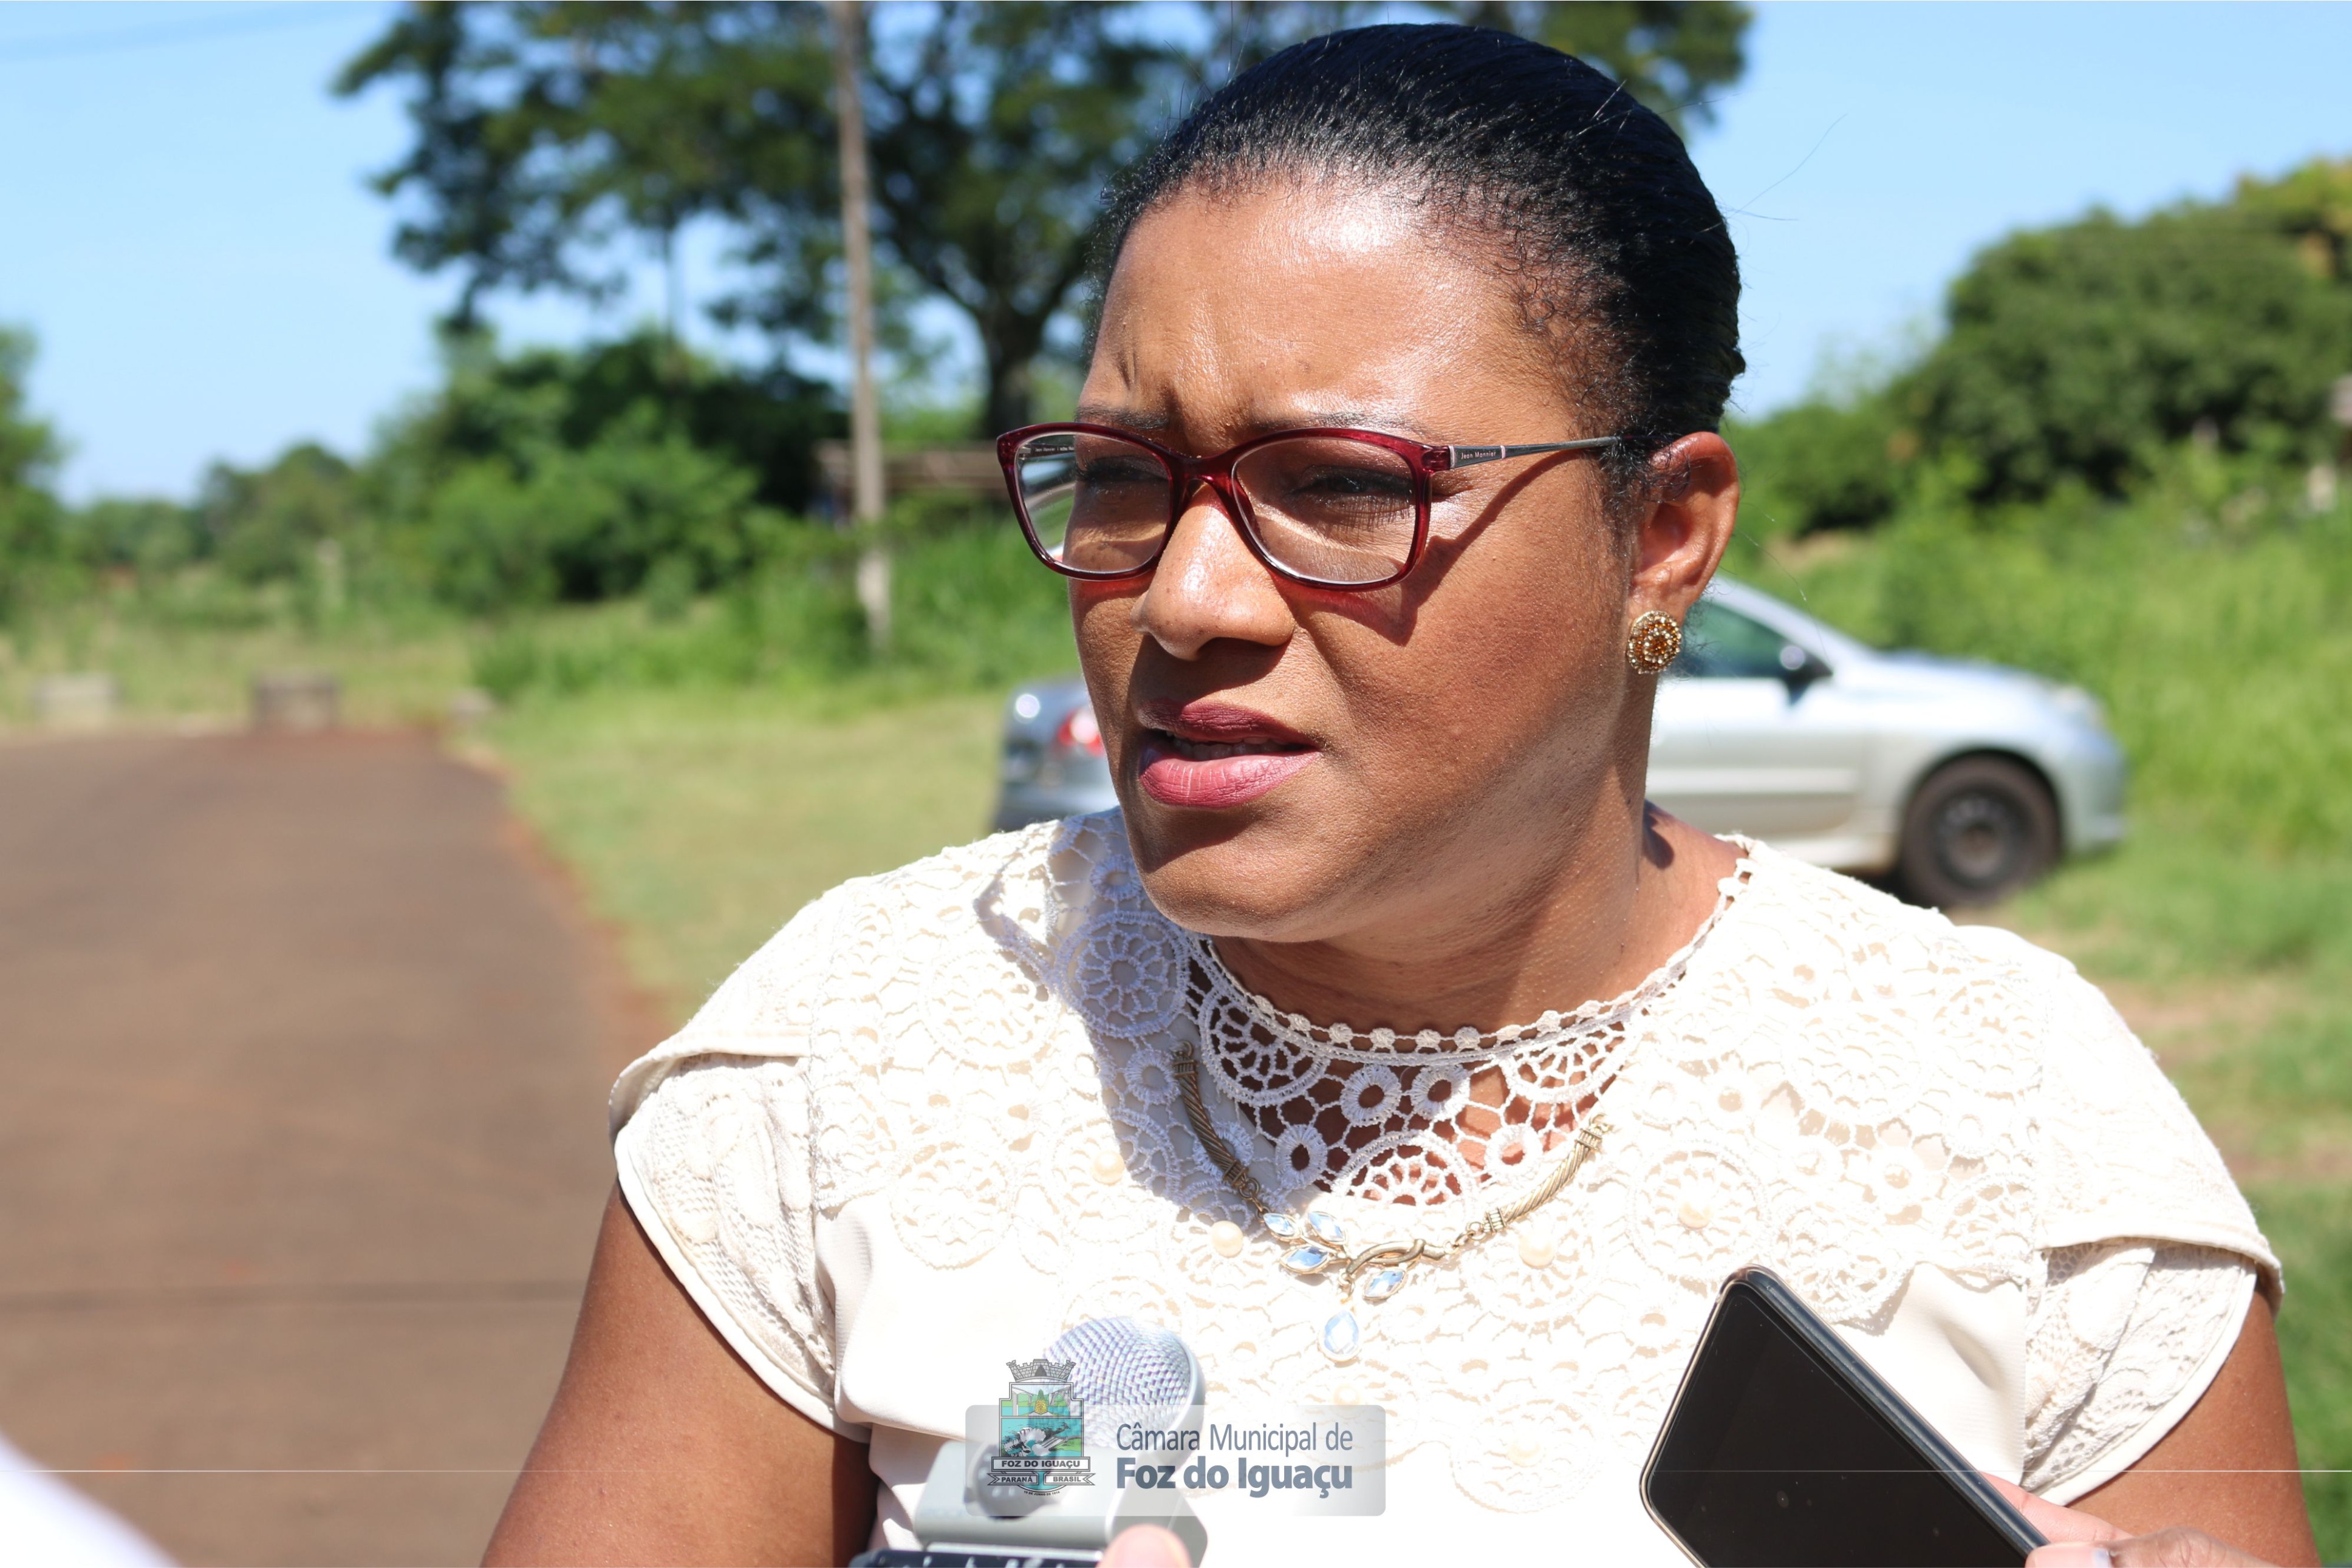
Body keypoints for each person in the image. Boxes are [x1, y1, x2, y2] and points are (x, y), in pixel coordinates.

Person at [485, 26, 2316, 1567]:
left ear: (1664, 538)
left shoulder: (2014, 1132)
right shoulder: (851, 1061)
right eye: (1121, 475)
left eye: (1345, 485)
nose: (1187, 598)